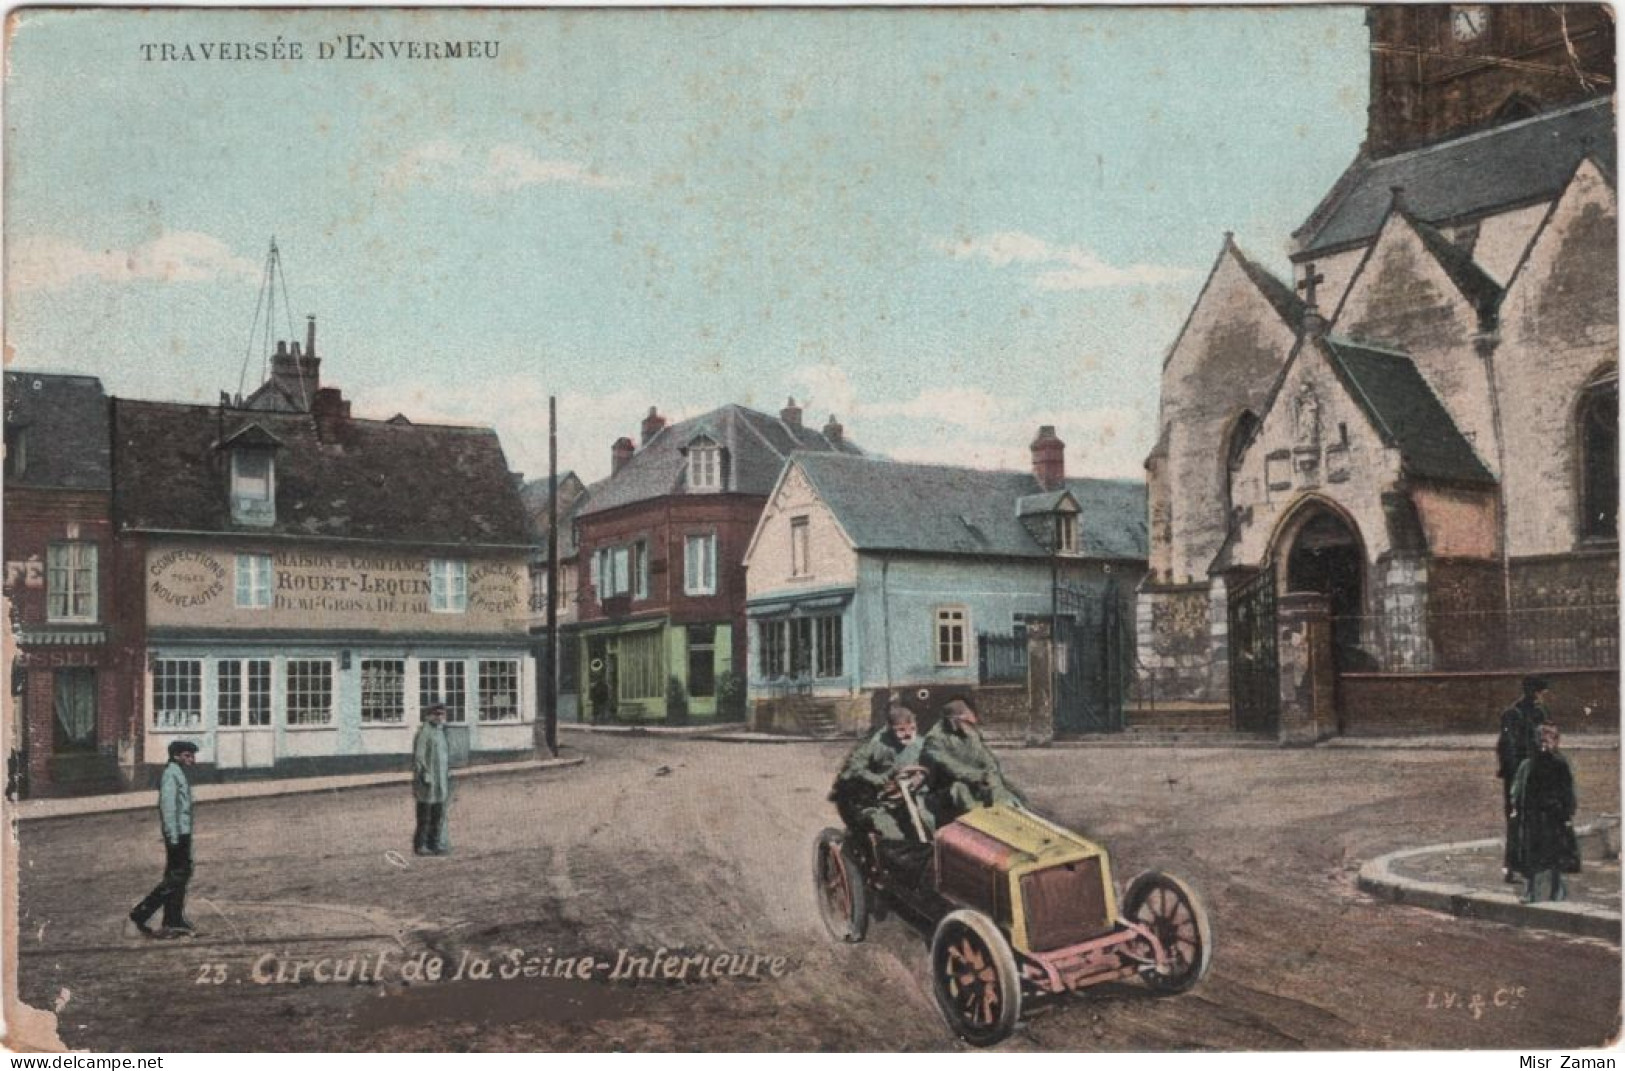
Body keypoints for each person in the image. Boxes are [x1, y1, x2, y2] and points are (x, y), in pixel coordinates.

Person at [830, 703, 930, 842]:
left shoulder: (921, 743)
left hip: (908, 797)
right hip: (873, 800)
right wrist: (877, 779)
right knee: (893, 837)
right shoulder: (875, 744)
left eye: (912, 729)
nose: (908, 734)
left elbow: (933, 764)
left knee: (932, 823)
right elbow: (854, 768)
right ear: (890, 728)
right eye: (901, 730)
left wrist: (922, 776)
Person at [129, 740, 199, 938]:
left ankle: (173, 919)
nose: (192, 759)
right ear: (176, 756)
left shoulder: (177, 772)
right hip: (177, 835)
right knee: (176, 877)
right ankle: (141, 913)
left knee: (179, 877)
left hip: (181, 833)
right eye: (188, 755)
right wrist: (173, 836)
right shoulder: (171, 774)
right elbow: (169, 809)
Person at [920, 696, 1024, 825]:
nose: (971, 726)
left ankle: (1008, 821)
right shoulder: (934, 739)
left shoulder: (970, 733)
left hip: (975, 784)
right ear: (953, 721)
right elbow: (952, 767)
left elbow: (987, 759)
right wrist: (979, 777)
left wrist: (989, 775)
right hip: (946, 791)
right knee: (960, 789)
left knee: (1003, 791)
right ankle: (981, 824)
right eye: (966, 722)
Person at [1510, 722, 1579, 903]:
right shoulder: (1530, 764)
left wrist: (1567, 814)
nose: (1544, 744)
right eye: (1541, 740)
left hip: (1553, 816)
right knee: (1531, 856)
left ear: (1556, 742)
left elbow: (1567, 790)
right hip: (1533, 817)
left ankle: (1557, 890)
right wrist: (1518, 808)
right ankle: (1530, 891)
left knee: (1555, 857)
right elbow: (1522, 789)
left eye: (1548, 740)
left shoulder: (1560, 764)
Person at [1497, 676, 1550, 881]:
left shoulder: (1537, 713)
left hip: (1530, 774)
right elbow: (1507, 746)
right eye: (1542, 693)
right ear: (1535, 692)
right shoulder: (1514, 714)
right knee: (1518, 819)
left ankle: (1526, 865)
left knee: (1528, 820)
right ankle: (1513, 867)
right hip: (1520, 775)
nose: (1544, 697)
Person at [413, 701, 452, 855]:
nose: (439, 717)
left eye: (442, 714)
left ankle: (434, 843)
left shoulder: (440, 732)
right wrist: (424, 773)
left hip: (440, 780)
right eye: (436, 714)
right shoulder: (424, 732)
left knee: (438, 813)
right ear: (428, 716)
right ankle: (421, 845)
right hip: (428, 780)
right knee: (425, 814)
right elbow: (419, 756)